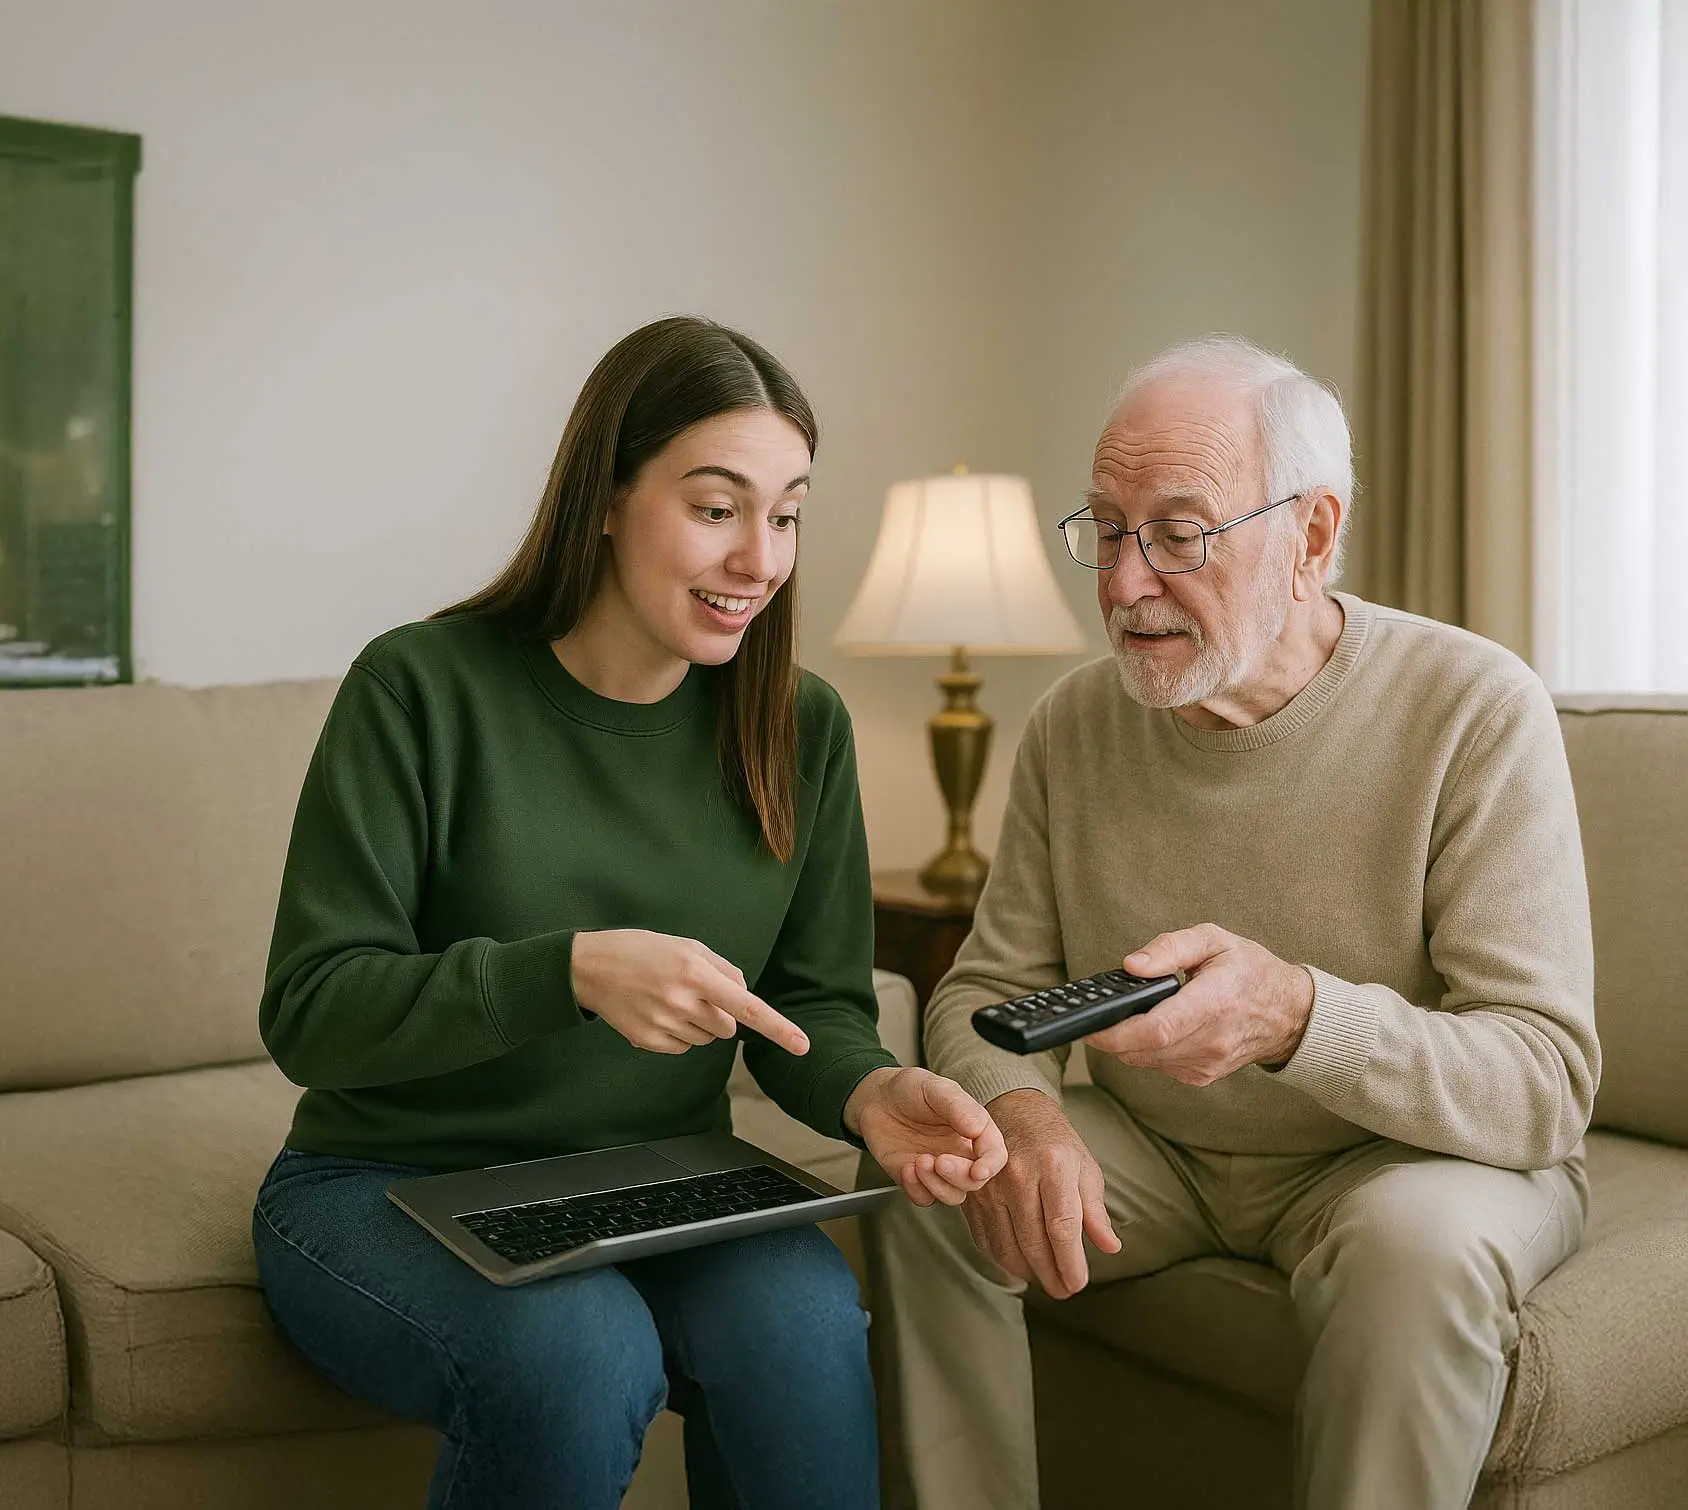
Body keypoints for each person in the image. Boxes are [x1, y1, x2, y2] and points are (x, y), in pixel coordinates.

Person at [252, 315, 1007, 1510]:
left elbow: (810, 1001)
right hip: (381, 1184)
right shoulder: (418, 688)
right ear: (604, 498)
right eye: (718, 507)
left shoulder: (802, 728)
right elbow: (311, 1010)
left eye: (790, 512)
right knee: (577, 1349)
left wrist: (872, 1091)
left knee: (806, 1322)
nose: (761, 557)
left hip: (661, 1179)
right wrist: (569, 972)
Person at [873, 337, 1599, 1510]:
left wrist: (1296, 1014)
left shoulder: (1472, 708)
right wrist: (1021, 1111)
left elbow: (1544, 1080)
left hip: (1401, 1158)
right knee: (940, 1174)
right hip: (1166, 1152)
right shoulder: (1073, 723)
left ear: (1312, 537)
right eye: (1106, 529)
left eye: (1178, 532)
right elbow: (980, 989)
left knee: (1415, 1258)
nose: (1121, 581)